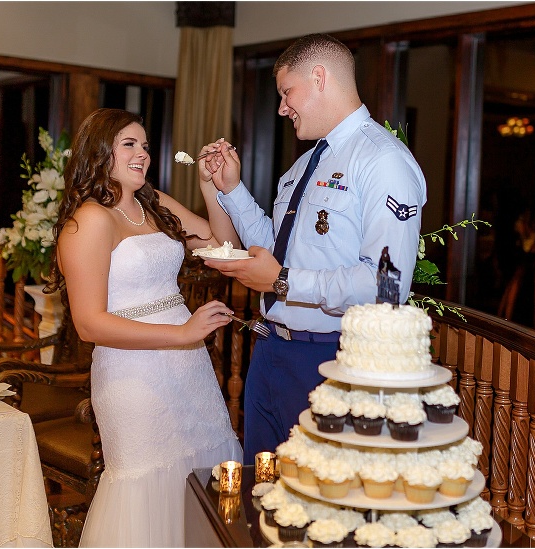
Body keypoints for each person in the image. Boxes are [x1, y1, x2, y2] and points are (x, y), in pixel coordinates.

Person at [198, 34, 427, 464]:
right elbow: (271, 247)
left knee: (316, 507)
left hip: (331, 359)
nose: (283, 108)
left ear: (319, 78)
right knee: (261, 496)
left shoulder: (383, 161)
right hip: (269, 352)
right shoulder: (305, 164)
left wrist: (283, 282)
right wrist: (231, 188)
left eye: (288, 93)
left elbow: (386, 287)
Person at [46, 108, 243, 547]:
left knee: (203, 467)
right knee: (149, 486)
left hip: (188, 369)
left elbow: (222, 247)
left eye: (146, 146)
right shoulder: (90, 220)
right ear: (100, 152)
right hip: (134, 377)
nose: (143, 154)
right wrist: (181, 334)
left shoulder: (153, 201)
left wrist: (210, 188)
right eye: (129, 144)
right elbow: (89, 323)